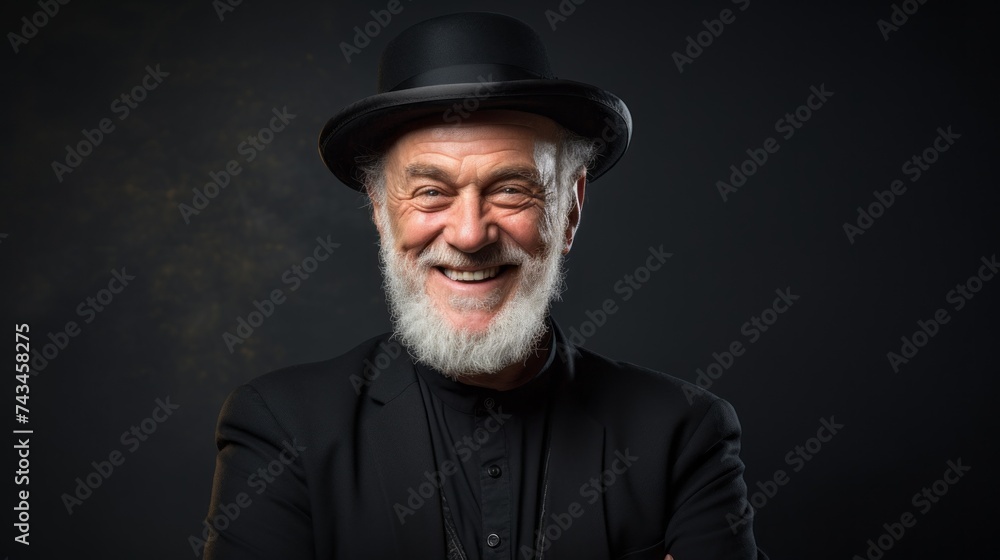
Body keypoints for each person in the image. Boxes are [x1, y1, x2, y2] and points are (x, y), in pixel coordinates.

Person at [201, 12, 767, 560]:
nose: (470, 235)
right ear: (379, 209)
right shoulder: (280, 429)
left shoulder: (685, 433)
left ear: (570, 208)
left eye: (511, 190)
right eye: (430, 192)